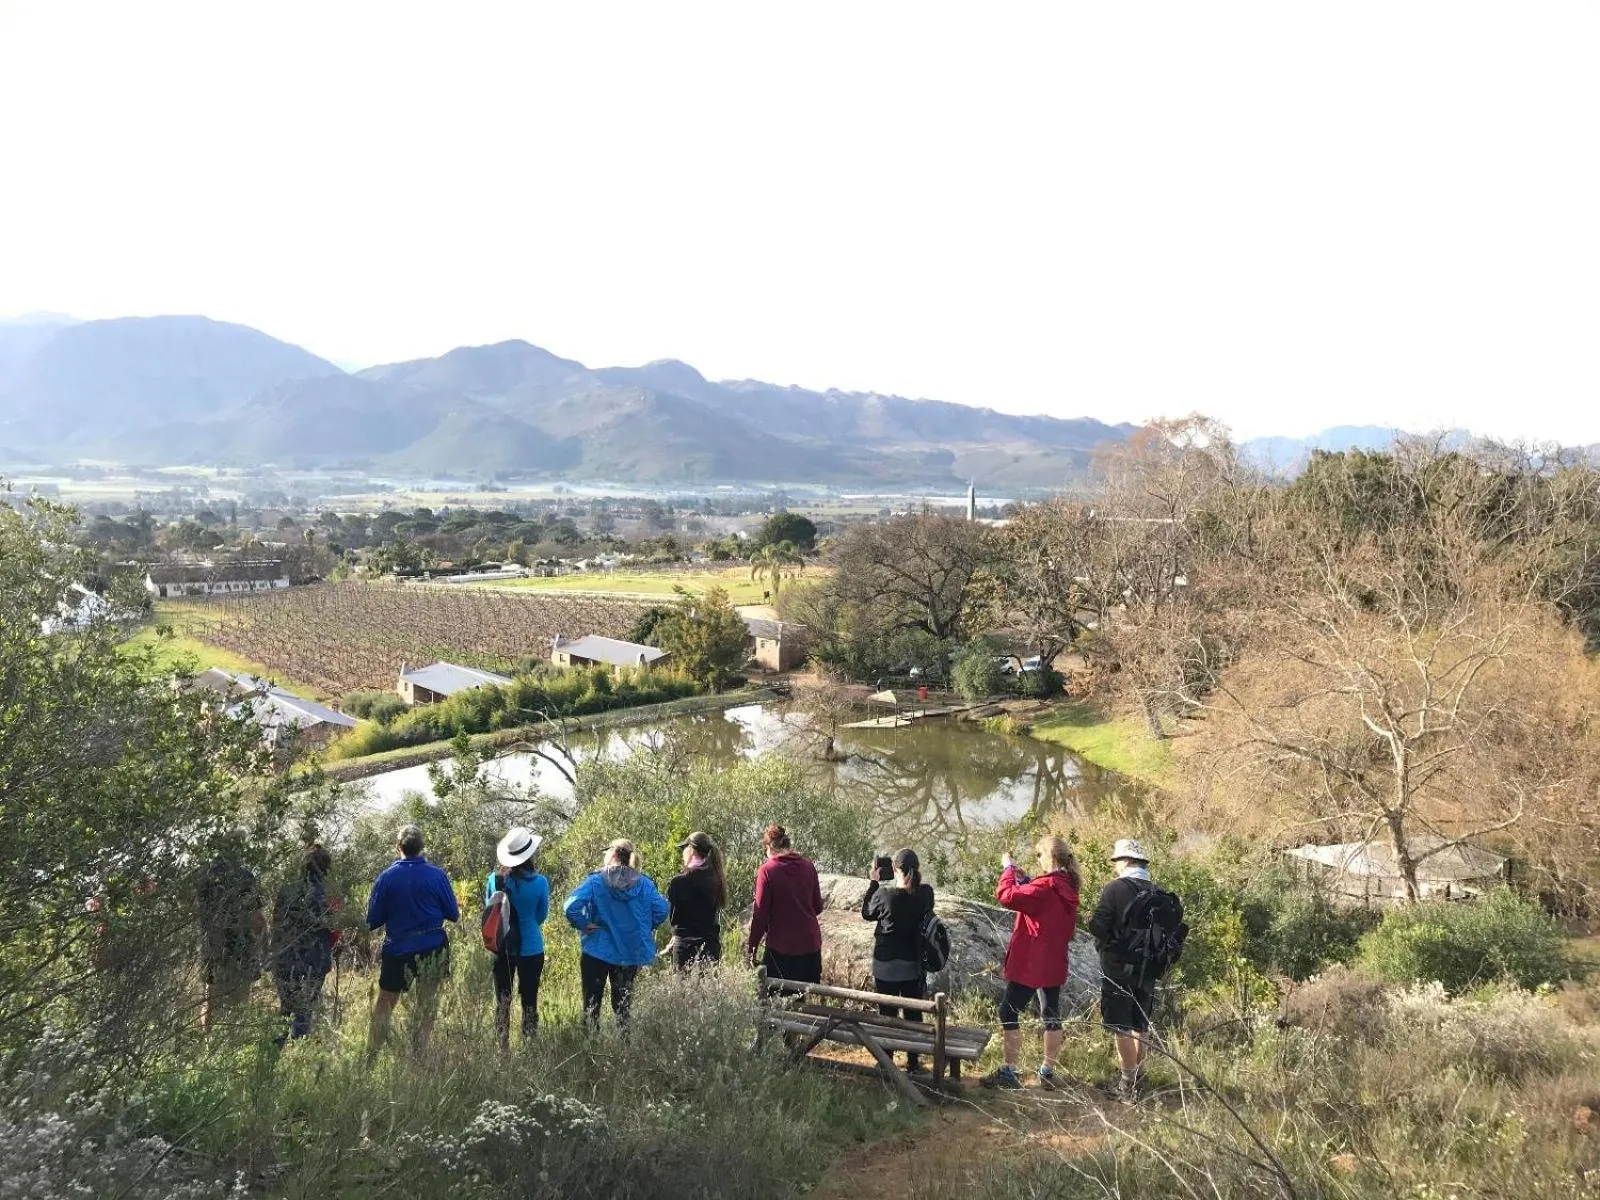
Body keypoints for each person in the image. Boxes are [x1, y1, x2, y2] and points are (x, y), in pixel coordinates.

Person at [981, 835, 1081, 1091]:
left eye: (1039, 855)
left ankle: (1010, 1071)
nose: (1037, 860)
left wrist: (1008, 869)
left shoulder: (1045, 887)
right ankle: (1047, 1071)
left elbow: (1006, 895)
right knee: (1051, 1014)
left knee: (1008, 1012)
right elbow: (1043, 907)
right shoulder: (1066, 885)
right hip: (1053, 961)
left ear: (1051, 857)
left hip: (1031, 963)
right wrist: (1026, 881)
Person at [365, 824, 460, 1056]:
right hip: (433, 947)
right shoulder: (437, 875)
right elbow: (453, 914)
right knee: (427, 1004)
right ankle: (419, 1055)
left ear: (398, 847)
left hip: (398, 948)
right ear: (421, 847)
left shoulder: (386, 878)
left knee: (385, 1004)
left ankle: (371, 1056)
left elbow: (372, 920)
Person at [563, 839, 668, 1031]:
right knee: (623, 1008)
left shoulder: (596, 881)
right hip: (628, 954)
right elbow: (661, 909)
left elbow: (571, 906)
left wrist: (584, 924)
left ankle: (590, 1052)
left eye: (606, 851)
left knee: (591, 1006)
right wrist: (642, 927)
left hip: (597, 951)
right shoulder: (644, 883)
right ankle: (624, 1049)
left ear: (614, 854)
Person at [1087, 838, 1158, 1102]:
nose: (1115, 867)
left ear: (1125, 861)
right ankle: (1138, 1076)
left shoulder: (1114, 889)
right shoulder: (1156, 890)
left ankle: (1127, 1084)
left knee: (1121, 1025)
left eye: (1117, 861)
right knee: (1141, 1023)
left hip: (1117, 966)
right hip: (1148, 968)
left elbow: (1098, 925)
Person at [860, 847, 935, 1073]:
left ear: (894, 869)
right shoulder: (925, 894)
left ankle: (886, 1059)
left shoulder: (884, 896)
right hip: (913, 966)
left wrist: (874, 882)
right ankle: (913, 1061)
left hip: (886, 967)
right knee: (913, 1013)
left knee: (887, 1013)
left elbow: (866, 913)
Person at [485, 825, 549, 1048]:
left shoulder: (495, 880)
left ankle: (502, 1048)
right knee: (529, 1000)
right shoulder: (541, 882)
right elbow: (542, 915)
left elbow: (490, 911)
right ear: (529, 854)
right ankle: (530, 1044)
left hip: (502, 947)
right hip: (531, 947)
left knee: (503, 1000)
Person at [196, 832, 267, 1032]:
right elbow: (257, 918)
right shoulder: (245, 876)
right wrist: (262, 940)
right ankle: (233, 1041)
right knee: (239, 999)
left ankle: (206, 1040)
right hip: (239, 948)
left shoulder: (205, 873)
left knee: (210, 995)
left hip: (211, 945)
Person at [271, 843, 334, 1043]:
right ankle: (298, 1052)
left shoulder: (286, 891)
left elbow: (276, 923)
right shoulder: (329, 895)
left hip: (284, 958)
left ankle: (276, 1051)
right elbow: (335, 930)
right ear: (326, 868)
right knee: (305, 1010)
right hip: (315, 960)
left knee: (286, 1009)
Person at [746, 824, 823, 983]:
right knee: (802, 1001)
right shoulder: (808, 866)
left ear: (769, 847)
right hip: (810, 947)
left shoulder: (767, 870)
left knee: (775, 1001)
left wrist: (752, 948)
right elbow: (817, 906)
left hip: (781, 950)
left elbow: (760, 915)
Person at [666, 831, 726, 969]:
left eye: (684, 848)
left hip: (685, 946)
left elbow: (674, 919)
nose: (682, 853)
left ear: (691, 850)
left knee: (682, 990)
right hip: (710, 945)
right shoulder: (717, 879)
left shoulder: (678, 882)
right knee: (708, 989)